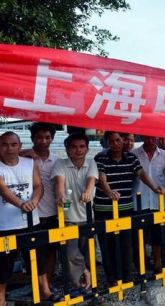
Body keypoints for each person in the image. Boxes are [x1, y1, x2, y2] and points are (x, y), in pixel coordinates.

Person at [93, 131, 164, 285]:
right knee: (107, 244)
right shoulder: (101, 157)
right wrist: (108, 192)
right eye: (112, 141)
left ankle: (126, 276)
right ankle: (111, 277)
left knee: (126, 243)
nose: (116, 144)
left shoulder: (131, 157)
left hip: (125, 207)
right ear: (107, 143)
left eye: (119, 140)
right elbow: (101, 177)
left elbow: (141, 174)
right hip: (104, 208)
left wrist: (154, 187)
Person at [0, 132, 46, 304]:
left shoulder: (29, 163)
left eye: (13, 144)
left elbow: (38, 185)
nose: (9, 148)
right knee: (3, 263)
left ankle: (45, 290)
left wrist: (34, 200)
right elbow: (3, 189)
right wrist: (21, 204)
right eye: (4, 144)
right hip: (5, 224)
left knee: (37, 257)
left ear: (19, 146)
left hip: (30, 220)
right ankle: (1, 296)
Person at [51, 133, 98, 297]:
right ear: (67, 149)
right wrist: (61, 194)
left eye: (82, 146)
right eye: (73, 147)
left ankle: (90, 283)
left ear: (87, 148)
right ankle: (80, 281)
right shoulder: (60, 164)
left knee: (88, 251)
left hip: (87, 216)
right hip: (68, 217)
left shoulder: (91, 162)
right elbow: (59, 182)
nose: (78, 150)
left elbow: (91, 180)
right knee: (71, 253)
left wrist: (87, 191)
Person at [21, 122, 59, 298]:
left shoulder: (57, 160)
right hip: (31, 214)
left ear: (52, 138)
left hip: (52, 212)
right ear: (32, 138)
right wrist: (21, 154)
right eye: (39, 137)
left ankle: (47, 285)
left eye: (47, 137)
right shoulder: (24, 158)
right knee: (34, 253)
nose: (43, 141)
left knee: (51, 251)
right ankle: (38, 286)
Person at [131, 135, 165, 272]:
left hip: (158, 201)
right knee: (139, 236)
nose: (150, 141)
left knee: (158, 235)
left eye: (153, 138)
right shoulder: (133, 154)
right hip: (138, 200)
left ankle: (157, 262)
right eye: (147, 138)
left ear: (158, 138)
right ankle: (142, 264)